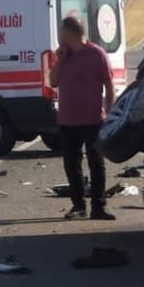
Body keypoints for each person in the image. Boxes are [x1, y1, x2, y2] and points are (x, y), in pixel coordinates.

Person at [48, 15, 116, 220]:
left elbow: (109, 84)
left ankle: (99, 207)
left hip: (93, 119)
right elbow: (53, 82)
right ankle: (78, 205)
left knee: (96, 163)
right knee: (72, 163)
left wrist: (111, 113)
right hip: (68, 120)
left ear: (70, 34)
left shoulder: (97, 54)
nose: (59, 36)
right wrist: (60, 60)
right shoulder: (63, 55)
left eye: (61, 32)